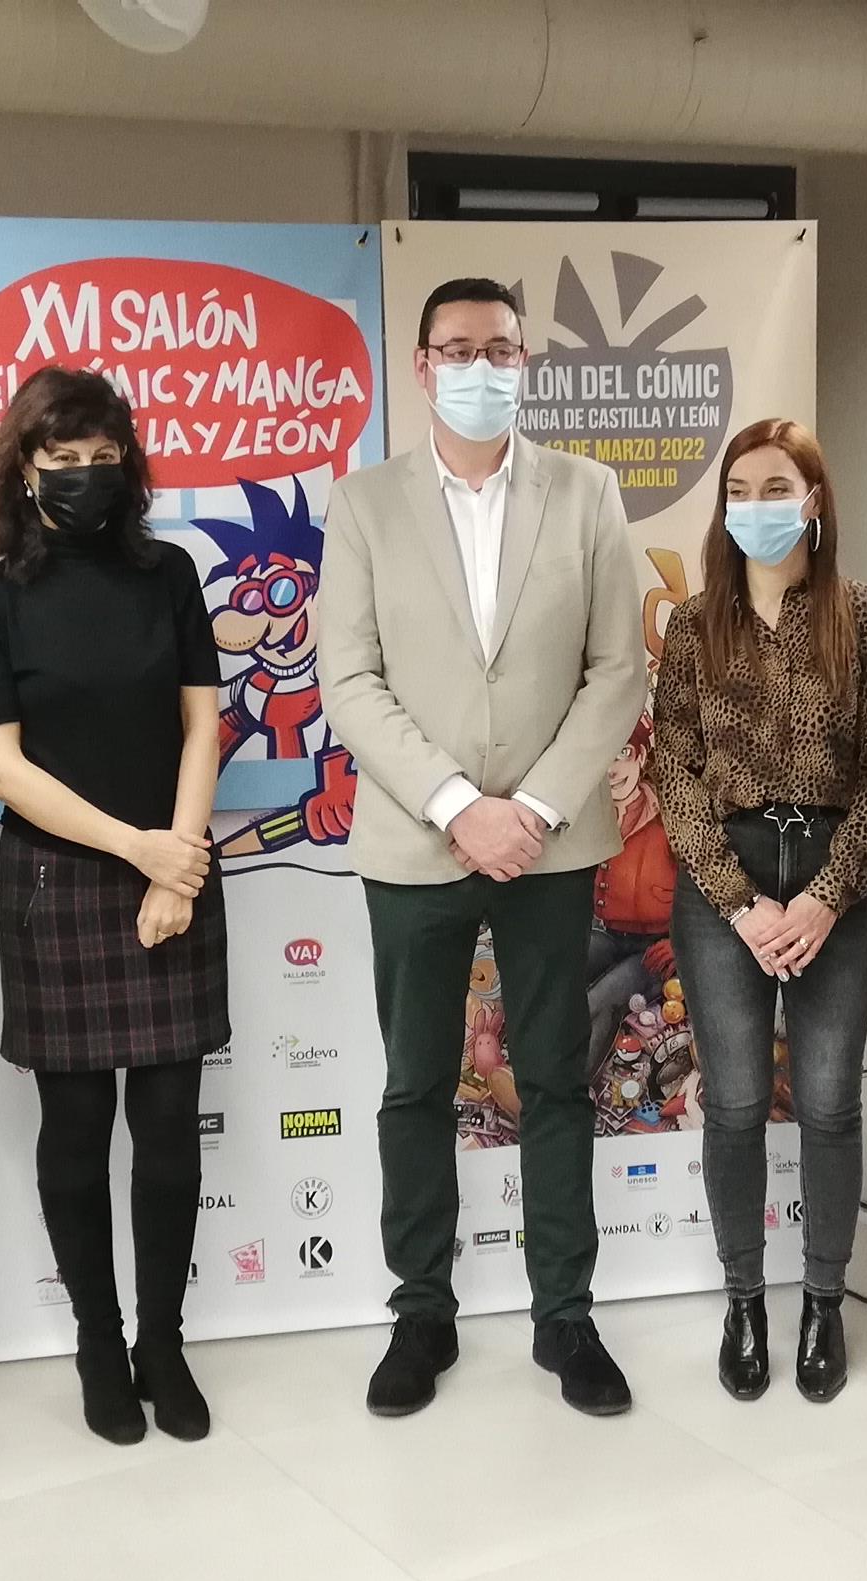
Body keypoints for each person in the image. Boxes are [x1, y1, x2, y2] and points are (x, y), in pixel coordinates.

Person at [317, 277, 648, 1418]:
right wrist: (460, 803)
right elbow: (349, 678)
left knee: (555, 1077)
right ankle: (422, 1313)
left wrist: (535, 808)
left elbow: (617, 671)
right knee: (416, 1084)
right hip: (417, 843)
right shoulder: (363, 504)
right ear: (421, 366)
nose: (479, 367)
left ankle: (567, 1317)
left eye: (500, 349)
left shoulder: (587, 492)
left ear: (525, 363)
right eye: (457, 349)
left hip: (550, 846)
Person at [0, 366, 229, 1446]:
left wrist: (177, 864)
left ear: (128, 463)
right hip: (62, 878)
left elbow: (202, 725)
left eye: (101, 456)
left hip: (176, 863)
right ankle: (97, 1340)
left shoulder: (167, 573)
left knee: (168, 1132)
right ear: (23, 469)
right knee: (74, 1130)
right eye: (60, 458)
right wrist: (140, 852)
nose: (82, 474)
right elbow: (3, 767)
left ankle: (163, 1340)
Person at [648, 417, 867, 1405]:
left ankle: (825, 1302)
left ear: (815, 500)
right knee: (738, 1102)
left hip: (842, 880)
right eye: (741, 491)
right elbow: (675, 774)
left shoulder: (866, 618)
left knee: (831, 1101)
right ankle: (744, 1301)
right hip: (729, 882)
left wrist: (827, 898)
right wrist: (742, 902)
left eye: (777, 488)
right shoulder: (693, 626)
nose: (757, 507)